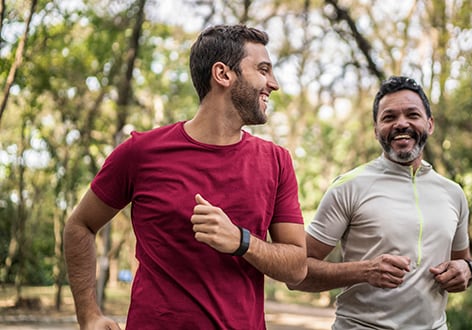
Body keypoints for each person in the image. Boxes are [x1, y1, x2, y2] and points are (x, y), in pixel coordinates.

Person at [63, 24, 307, 330]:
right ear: (223, 74)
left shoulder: (277, 161)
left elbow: (297, 267)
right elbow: (80, 225)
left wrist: (241, 241)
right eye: (263, 69)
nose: (274, 83)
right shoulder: (141, 152)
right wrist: (88, 315)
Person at [288, 76, 472, 329]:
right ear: (376, 129)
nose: (401, 124)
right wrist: (363, 271)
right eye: (389, 117)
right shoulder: (349, 186)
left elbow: (463, 261)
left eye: (412, 114)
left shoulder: (452, 193)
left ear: (429, 124)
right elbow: (295, 274)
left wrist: (467, 270)